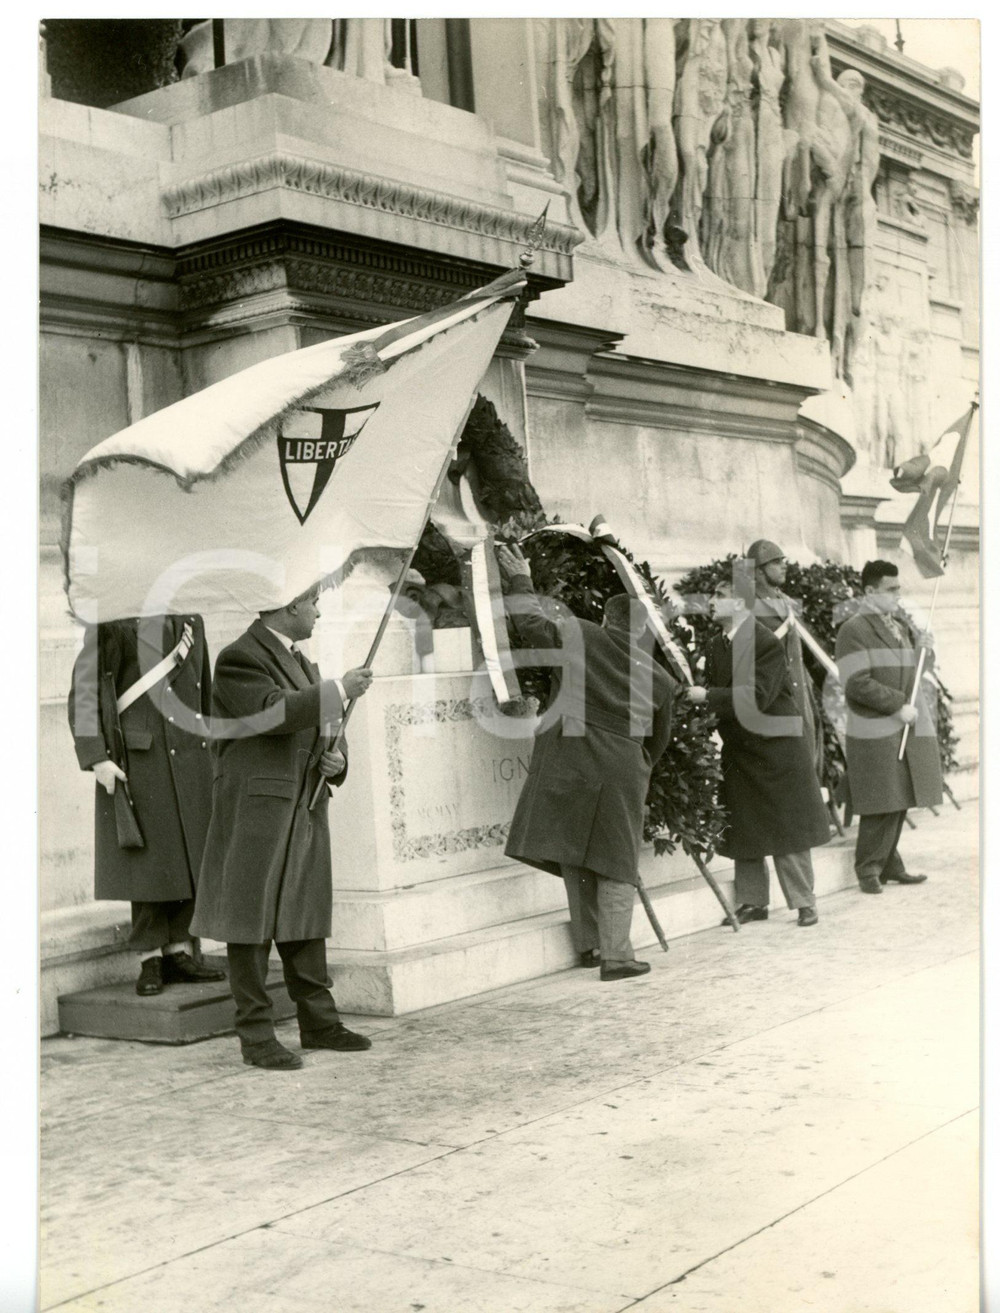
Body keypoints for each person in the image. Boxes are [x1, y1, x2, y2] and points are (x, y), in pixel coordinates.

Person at [189, 585, 374, 1070]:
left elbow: (324, 727)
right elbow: (273, 714)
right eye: (313, 602)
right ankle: (256, 1037)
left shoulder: (299, 660)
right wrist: (338, 689)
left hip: (302, 804)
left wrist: (338, 759)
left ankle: (319, 1023)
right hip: (258, 810)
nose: (318, 611)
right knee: (248, 923)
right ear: (290, 605)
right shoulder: (239, 658)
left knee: (303, 914)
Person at [496, 543, 677, 982]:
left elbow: (529, 623)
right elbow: (660, 739)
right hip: (623, 763)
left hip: (568, 756)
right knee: (616, 857)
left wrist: (520, 577)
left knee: (575, 851)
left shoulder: (581, 634)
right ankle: (618, 956)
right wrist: (635, 763)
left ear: (606, 620)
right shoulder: (662, 678)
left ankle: (591, 946)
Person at [68, 615, 227, 996]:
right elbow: (84, 691)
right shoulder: (113, 620)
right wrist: (97, 757)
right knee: (148, 862)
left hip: (189, 756)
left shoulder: (192, 621)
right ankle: (150, 957)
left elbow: (202, 693)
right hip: (140, 758)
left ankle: (178, 951)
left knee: (188, 853)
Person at [687, 568, 830, 927]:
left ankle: (804, 902)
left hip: (776, 750)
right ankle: (753, 903)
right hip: (743, 749)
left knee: (788, 830)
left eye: (719, 597)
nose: (712, 603)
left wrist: (709, 697)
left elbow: (758, 697)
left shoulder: (763, 640)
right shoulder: (717, 643)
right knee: (745, 829)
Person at [834, 560, 942, 894]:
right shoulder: (854, 629)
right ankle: (868, 868)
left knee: (899, 796)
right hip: (876, 726)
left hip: (901, 724)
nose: (898, 594)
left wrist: (925, 649)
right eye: (891, 589)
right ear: (869, 592)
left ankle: (889, 864)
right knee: (882, 799)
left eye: (898, 588)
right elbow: (856, 683)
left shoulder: (897, 625)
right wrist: (898, 704)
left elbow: (916, 671)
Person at [746, 539, 823, 779]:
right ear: (758, 570)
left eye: (783, 561)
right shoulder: (747, 607)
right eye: (776, 562)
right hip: (774, 699)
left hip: (802, 695)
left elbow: (809, 653)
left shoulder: (789, 605)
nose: (783, 566)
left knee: (810, 760)